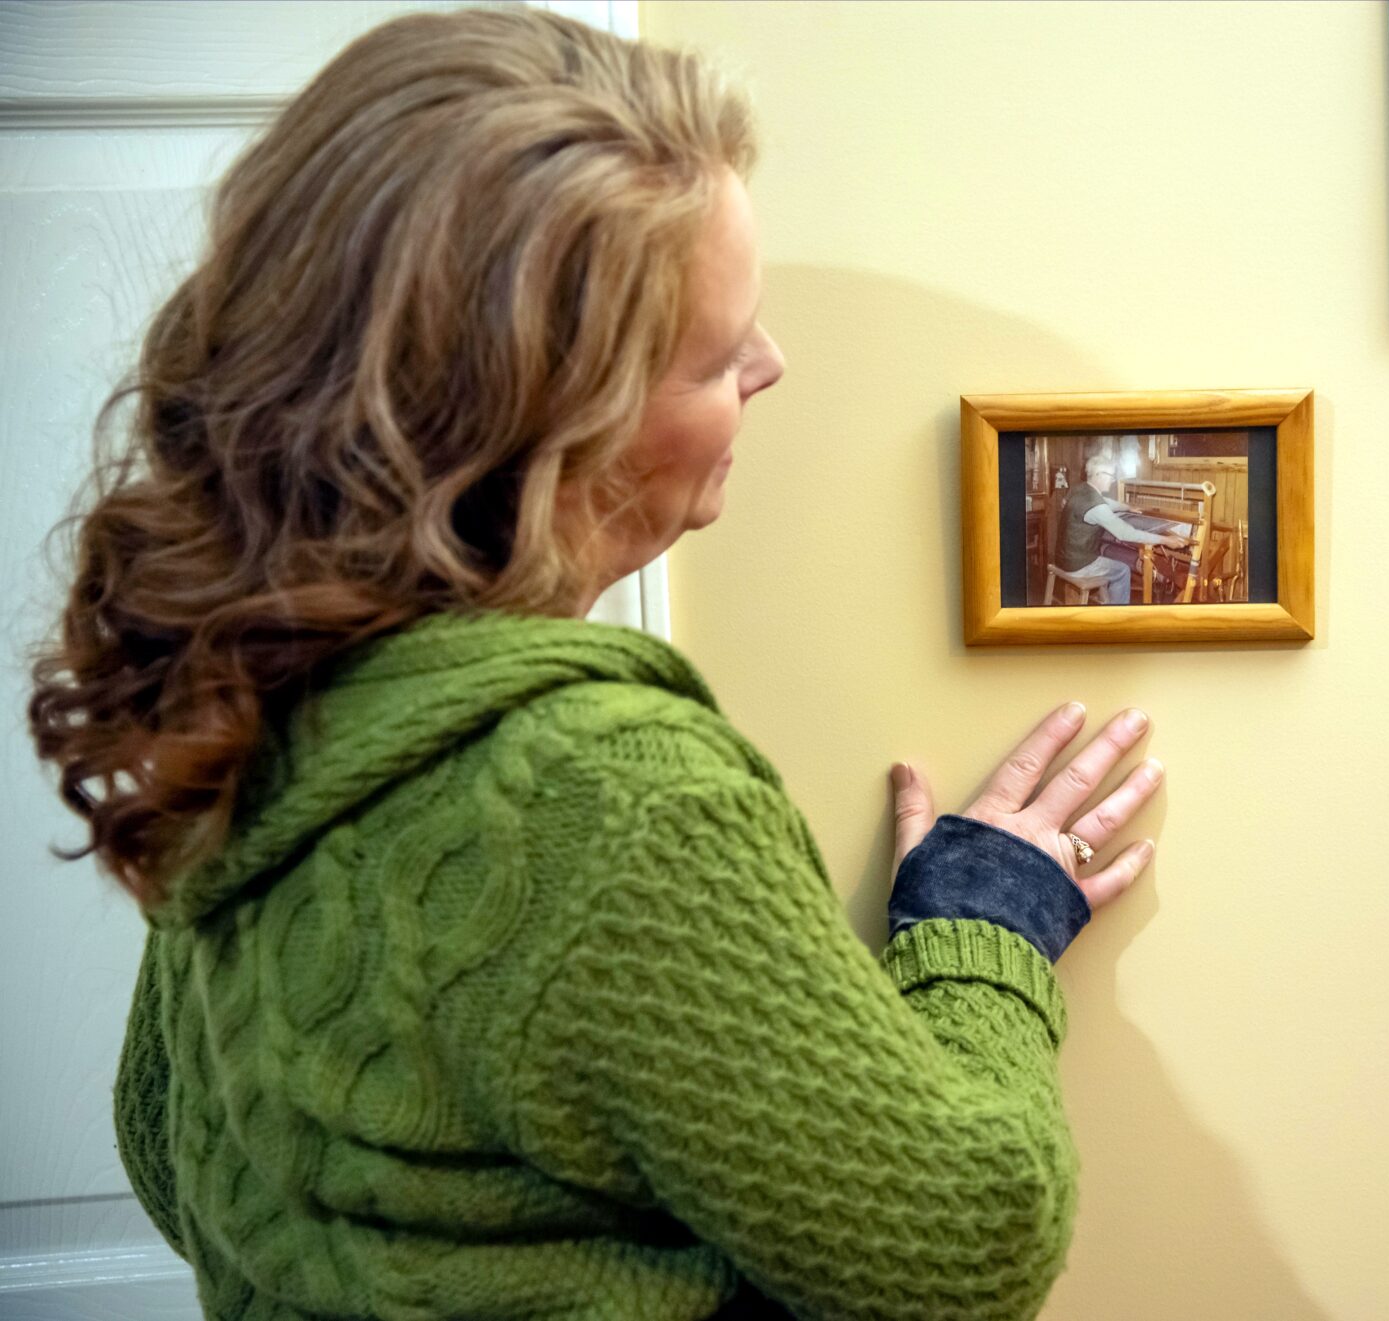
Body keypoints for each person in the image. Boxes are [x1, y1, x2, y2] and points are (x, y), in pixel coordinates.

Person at [26, 11, 1164, 1319]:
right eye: (716, 353)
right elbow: (962, 1249)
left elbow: (175, 1158)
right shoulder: (607, 796)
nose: (773, 366)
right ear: (551, 420)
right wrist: (982, 919)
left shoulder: (246, 692)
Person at [1056, 452, 1189, 605]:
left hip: (1062, 558)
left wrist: (1127, 507)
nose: (1113, 481)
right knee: (1122, 571)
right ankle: (1118, 613)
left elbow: (1106, 502)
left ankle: (1107, 602)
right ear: (1099, 474)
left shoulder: (1080, 489)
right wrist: (1165, 540)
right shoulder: (1096, 506)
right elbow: (1126, 533)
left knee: (1108, 561)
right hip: (1077, 565)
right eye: (1111, 476)